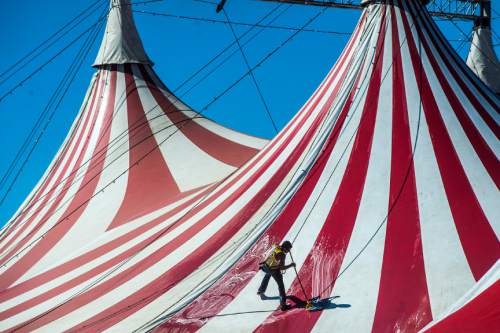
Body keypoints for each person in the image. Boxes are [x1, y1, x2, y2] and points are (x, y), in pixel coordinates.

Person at [257, 240, 296, 310]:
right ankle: (283, 306)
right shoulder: (282, 255)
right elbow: (282, 268)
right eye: (288, 249)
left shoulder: (278, 247)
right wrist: (291, 265)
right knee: (281, 286)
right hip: (273, 269)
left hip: (266, 266)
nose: (289, 251)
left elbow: (275, 245)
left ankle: (261, 291)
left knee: (267, 275)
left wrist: (265, 262)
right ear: (284, 248)